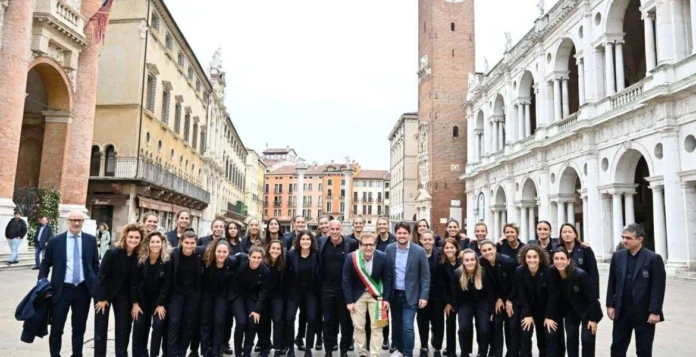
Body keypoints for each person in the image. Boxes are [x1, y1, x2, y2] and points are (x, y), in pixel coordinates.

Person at [38, 211, 100, 357]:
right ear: (68, 221)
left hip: (83, 290)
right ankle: (55, 354)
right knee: (57, 328)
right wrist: (42, 280)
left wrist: (96, 283)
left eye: (79, 220)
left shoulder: (90, 240)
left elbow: (95, 264)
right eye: (73, 220)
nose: (76, 223)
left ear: (83, 222)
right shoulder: (56, 241)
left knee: (79, 328)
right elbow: (46, 263)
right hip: (61, 290)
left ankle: (77, 354)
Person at [606, 223, 666, 357]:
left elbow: (658, 287)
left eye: (628, 238)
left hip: (644, 313)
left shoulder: (653, 258)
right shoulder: (618, 256)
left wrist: (655, 311)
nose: (624, 241)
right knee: (617, 348)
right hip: (622, 311)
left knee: (644, 350)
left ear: (640, 239)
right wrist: (610, 305)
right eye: (623, 237)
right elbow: (612, 282)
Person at [94, 223, 143, 357]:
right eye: (131, 237)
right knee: (100, 329)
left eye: (137, 238)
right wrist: (102, 298)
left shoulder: (138, 256)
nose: (133, 240)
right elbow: (101, 276)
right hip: (104, 293)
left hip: (123, 295)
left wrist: (134, 303)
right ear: (125, 236)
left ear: (140, 239)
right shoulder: (113, 252)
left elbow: (135, 282)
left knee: (123, 328)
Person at [343, 232, 393, 357]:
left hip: (377, 297)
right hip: (357, 297)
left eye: (371, 244)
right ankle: (362, 353)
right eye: (365, 245)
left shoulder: (383, 257)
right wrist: (349, 301)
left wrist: (386, 299)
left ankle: (375, 354)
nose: (368, 247)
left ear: (375, 245)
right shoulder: (351, 257)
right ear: (360, 245)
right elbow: (346, 279)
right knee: (358, 326)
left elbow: (388, 278)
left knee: (377, 327)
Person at [385, 221, 430, 357]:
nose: (402, 235)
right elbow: (387, 273)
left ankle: (407, 353)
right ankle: (399, 349)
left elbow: (425, 276)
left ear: (409, 235)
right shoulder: (390, 249)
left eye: (405, 233)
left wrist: (423, 296)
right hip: (394, 295)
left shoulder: (419, 251)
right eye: (399, 233)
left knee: (408, 326)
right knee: (397, 326)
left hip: (411, 296)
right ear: (396, 234)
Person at [548, 248, 602, 357]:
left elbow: (592, 298)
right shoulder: (552, 273)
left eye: (562, 258)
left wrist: (593, 319)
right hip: (570, 310)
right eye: (556, 259)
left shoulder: (580, 274)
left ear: (568, 260)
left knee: (587, 339)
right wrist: (549, 316)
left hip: (588, 310)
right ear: (553, 260)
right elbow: (552, 296)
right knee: (571, 338)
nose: (559, 261)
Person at [319, 220, 359, 357]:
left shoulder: (351, 244)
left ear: (341, 229)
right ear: (328, 229)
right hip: (327, 288)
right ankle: (328, 350)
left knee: (346, 322)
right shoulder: (322, 242)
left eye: (337, 229)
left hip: (344, 289)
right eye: (332, 229)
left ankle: (343, 350)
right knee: (328, 321)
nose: (335, 231)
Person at [131, 231, 172, 357]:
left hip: (158, 301)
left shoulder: (167, 261)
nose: (155, 244)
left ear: (162, 243)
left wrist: (160, 304)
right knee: (138, 324)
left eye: (158, 242)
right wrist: (135, 304)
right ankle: (139, 353)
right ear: (148, 244)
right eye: (152, 242)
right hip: (141, 300)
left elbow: (167, 285)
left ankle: (154, 354)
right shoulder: (141, 259)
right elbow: (134, 283)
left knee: (158, 325)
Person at [167, 230, 205, 357]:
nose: (189, 246)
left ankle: (181, 352)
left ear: (196, 243)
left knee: (188, 324)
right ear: (181, 242)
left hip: (193, 294)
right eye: (186, 243)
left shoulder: (199, 253)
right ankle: (172, 353)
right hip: (176, 293)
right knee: (174, 322)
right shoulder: (174, 254)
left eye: (192, 243)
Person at [478, 240, 518, 357]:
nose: (487, 252)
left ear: (495, 249)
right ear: (481, 251)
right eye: (484, 250)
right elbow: (488, 286)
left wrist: (509, 300)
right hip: (496, 299)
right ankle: (497, 353)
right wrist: (498, 299)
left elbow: (516, 284)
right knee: (496, 324)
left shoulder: (508, 261)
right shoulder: (481, 262)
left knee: (511, 327)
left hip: (512, 297)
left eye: (490, 249)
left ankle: (512, 353)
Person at [451, 249, 495, 357]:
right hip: (465, 303)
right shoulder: (457, 273)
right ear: (463, 261)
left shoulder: (483, 272)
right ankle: (464, 353)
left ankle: (482, 353)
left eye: (472, 259)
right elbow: (454, 293)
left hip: (482, 302)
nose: (470, 262)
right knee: (463, 328)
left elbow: (490, 293)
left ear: (476, 260)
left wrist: (491, 310)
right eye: (467, 260)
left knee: (484, 329)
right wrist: (456, 309)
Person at [516, 245, 557, 357]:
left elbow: (552, 296)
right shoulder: (519, 271)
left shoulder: (548, 271)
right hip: (528, 308)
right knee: (525, 333)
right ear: (524, 258)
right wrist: (528, 314)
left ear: (540, 258)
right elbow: (522, 295)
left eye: (535, 257)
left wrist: (548, 316)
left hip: (545, 310)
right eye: (529, 257)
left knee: (549, 334)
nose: (532, 260)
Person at [200, 239, 238, 357]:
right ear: (214, 251)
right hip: (207, 294)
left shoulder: (232, 262)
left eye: (224, 252)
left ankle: (216, 351)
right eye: (219, 251)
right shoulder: (207, 261)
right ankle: (206, 351)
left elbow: (244, 256)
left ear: (228, 252)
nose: (221, 254)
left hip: (222, 295)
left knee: (219, 322)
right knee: (205, 323)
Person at [285, 230, 320, 357]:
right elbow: (286, 274)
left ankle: (308, 348)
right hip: (294, 291)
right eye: (303, 239)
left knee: (311, 318)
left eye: (308, 239)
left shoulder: (316, 254)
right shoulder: (291, 254)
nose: (305, 241)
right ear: (299, 241)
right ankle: (290, 348)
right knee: (289, 318)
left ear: (312, 241)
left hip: (311, 291)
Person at [231, 246, 270, 357]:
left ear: (262, 258)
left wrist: (257, 310)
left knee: (253, 321)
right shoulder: (240, 261)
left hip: (251, 296)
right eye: (254, 257)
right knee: (241, 322)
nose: (256, 260)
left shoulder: (265, 271)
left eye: (259, 258)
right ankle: (238, 353)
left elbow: (263, 292)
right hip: (237, 294)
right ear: (249, 256)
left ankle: (247, 352)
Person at [414, 230, 444, 357]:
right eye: (424, 239)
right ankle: (424, 347)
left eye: (429, 239)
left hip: (437, 295)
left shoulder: (440, 254)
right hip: (421, 295)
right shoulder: (416, 254)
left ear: (433, 240)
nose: (427, 242)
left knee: (438, 322)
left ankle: (437, 347)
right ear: (420, 241)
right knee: (422, 322)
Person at [258, 240, 286, 357]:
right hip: (264, 296)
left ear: (281, 251)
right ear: (268, 250)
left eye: (278, 249)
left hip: (278, 296)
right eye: (273, 248)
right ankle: (265, 346)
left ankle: (278, 347)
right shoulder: (262, 263)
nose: (275, 251)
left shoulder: (284, 263)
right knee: (264, 322)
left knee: (277, 320)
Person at [223, 221, 244, 354]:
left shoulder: (242, 244)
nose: (232, 230)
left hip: (238, 285)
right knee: (224, 317)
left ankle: (228, 343)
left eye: (234, 228)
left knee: (233, 318)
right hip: (224, 283)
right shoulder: (224, 243)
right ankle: (223, 343)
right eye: (230, 228)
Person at [438, 238, 461, 357]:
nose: (449, 250)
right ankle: (451, 349)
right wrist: (447, 302)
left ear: (456, 248)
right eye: (447, 248)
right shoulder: (441, 265)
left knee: (464, 325)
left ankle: (465, 349)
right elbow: (442, 285)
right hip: (449, 300)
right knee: (450, 324)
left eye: (452, 247)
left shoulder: (462, 262)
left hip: (462, 299)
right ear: (443, 250)